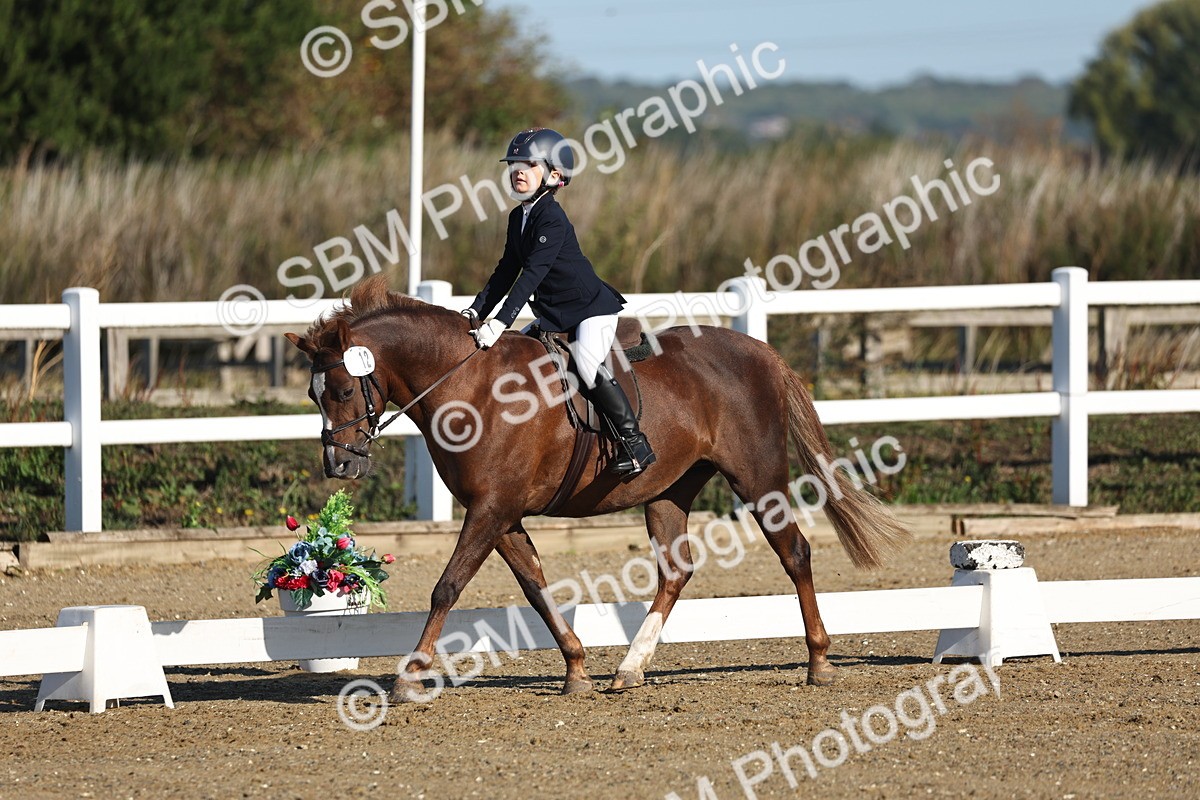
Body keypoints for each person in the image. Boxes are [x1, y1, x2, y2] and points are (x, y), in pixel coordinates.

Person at [462, 127, 656, 477]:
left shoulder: (551, 216)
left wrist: (499, 322)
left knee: (584, 362)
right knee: (522, 350)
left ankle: (635, 442)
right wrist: (476, 311)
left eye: (528, 163)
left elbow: (531, 275)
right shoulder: (518, 217)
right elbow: (507, 270)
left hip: (590, 310)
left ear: (554, 175)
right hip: (555, 313)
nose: (517, 170)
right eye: (513, 164)